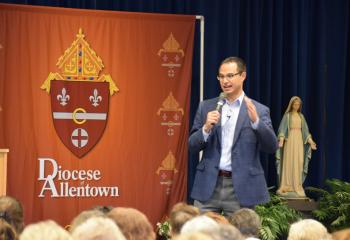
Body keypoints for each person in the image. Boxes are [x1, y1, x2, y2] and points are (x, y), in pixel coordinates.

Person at [188, 56, 278, 216]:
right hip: (209, 184)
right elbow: (192, 146)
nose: (225, 81)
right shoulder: (206, 107)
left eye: (230, 76)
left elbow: (271, 147)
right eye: (221, 76)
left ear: (243, 76)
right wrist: (206, 128)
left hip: (242, 188)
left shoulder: (259, 109)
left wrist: (256, 122)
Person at [276, 96, 317, 198]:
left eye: (298, 105)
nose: (296, 106)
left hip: (299, 141)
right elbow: (282, 129)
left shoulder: (301, 116)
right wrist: (281, 140)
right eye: (295, 104)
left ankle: (297, 186)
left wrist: (311, 142)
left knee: (298, 162)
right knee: (289, 162)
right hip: (289, 141)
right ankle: (286, 186)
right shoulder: (287, 116)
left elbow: (306, 132)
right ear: (291, 104)